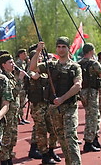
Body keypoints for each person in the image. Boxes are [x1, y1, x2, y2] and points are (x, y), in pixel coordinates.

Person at [30, 37, 82, 165]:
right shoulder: (51, 65)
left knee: (70, 137)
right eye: (58, 47)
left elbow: (78, 86)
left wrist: (62, 98)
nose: (61, 49)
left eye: (64, 47)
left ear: (68, 48)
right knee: (62, 139)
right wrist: (37, 52)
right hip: (54, 109)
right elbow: (33, 68)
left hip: (69, 107)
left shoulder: (75, 67)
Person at [26, 50, 61, 164]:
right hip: (38, 106)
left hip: (47, 104)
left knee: (53, 129)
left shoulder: (45, 70)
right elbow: (35, 76)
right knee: (41, 130)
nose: (40, 58)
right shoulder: (30, 71)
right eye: (38, 57)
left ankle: (51, 150)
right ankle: (44, 154)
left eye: (41, 57)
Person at [78, 43, 101, 152]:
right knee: (91, 117)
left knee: (95, 115)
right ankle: (88, 142)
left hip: (82, 92)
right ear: (91, 51)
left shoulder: (78, 64)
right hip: (91, 92)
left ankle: (95, 138)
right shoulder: (94, 63)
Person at [0, 54, 21, 165]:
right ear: (3, 65)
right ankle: (4, 160)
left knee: (12, 138)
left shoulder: (11, 76)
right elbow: (13, 94)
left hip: (13, 114)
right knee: (6, 139)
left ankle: (9, 158)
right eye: (10, 63)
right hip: (7, 115)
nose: (13, 65)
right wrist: (20, 80)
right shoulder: (3, 78)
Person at [15, 48, 30, 125]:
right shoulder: (18, 63)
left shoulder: (24, 62)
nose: (26, 55)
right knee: (19, 102)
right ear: (20, 54)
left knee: (22, 102)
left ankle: (21, 117)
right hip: (19, 83)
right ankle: (18, 118)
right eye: (24, 53)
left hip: (23, 84)